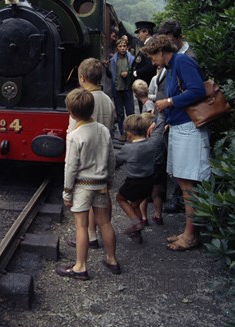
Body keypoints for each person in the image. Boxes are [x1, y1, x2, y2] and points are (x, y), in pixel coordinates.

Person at [142, 34, 211, 251]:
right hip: (181, 127)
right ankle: (189, 231)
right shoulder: (171, 67)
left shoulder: (181, 61)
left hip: (190, 130)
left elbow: (198, 90)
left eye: (153, 55)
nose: (152, 60)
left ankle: (191, 236)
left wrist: (169, 101)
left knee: (188, 184)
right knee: (183, 181)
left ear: (162, 51)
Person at [56, 88, 120, 280]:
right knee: (105, 222)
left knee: (81, 227)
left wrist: (67, 193)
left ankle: (80, 267)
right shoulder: (103, 130)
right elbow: (111, 158)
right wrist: (109, 180)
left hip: (82, 187)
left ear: (72, 114)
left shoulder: (75, 135)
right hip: (101, 184)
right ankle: (112, 259)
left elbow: (70, 167)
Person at [67, 58, 116, 250]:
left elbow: (72, 133)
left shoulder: (82, 100)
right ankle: (105, 248)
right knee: (102, 202)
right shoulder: (108, 100)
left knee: (84, 203)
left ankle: (90, 236)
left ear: (82, 77)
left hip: (85, 161)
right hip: (103, 157)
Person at [156, 19, 198, 214]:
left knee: (185, 176)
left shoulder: (185, 58)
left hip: (186, 121)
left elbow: (195, 90)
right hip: (174, 119)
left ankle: (180, 204)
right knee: (179, 172)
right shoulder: (173, 60)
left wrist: (169, 103)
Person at [115, 114, 166, 244]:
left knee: (120, 198)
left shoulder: (128, 148)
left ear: (129, 133)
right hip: (148, 181)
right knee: (135, 204)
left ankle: (136, 222)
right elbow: (159, 130)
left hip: (133, 182)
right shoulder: (151, 144)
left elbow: (117, 160)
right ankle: (137, 234)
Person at [108, 39, 135, 139]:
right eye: (120, 46)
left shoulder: (131, 59)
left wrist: (128, 74)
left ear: (127, 47)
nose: (122, 48)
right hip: (117, 89)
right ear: (117, 48)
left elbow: (135, 73)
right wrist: (106, 68)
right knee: (119, 113)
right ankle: (122, 132)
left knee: (130, 112)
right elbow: (110, 75)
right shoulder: (113, 60)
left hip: (127, 88)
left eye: (124, 46)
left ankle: (131, 132)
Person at [128, 20, 157, 88]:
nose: (138, 35)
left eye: (139, 32)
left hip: (145, 83)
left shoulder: (150, 45)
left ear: (146, 32)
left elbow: (150, 66)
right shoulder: (148, 44)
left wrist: (136, 73)